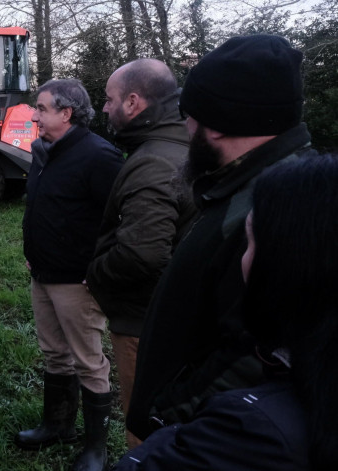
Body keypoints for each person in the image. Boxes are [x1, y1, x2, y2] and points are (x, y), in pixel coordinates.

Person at [127, 34, 315, 441]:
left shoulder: (276, 209)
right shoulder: (254, 184)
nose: (184, 125)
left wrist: (169, 414)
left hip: (205, 439)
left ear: (215, 124)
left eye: (188, 114)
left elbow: (259, 352)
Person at [113, 154, 336, 471]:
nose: (242, 260)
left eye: (250, 242)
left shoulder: (249, 430)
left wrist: (172, 432)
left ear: (288, 264)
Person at [85, 59, 196, 449]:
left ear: (133, 103)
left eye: (108, 99)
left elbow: (142, 254)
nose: (103, 108)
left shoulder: (151, 161)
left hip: (142, 321)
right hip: (176, 315)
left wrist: (95, 272)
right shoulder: (181, 143)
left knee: (143, 424)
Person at [17, 78, 123, 471]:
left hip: (78, 281)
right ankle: (57, 426)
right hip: (43, 274)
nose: (34, 115)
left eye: (41, 108)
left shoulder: (100, 157)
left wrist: (98, 268)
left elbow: (121, 219)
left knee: (88, 362)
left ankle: (96, 449)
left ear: (66, 113)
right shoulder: (46, 152)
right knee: (54, 354)